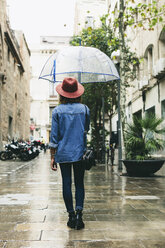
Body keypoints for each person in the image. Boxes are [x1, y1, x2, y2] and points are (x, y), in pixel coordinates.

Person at [49, 77, 90, 230]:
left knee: (66, 183)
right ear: (77, 93)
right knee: (79, 183)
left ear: (62, 94)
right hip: (80, 152)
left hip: (63, 152)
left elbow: (54, 136)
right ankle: (79, 215)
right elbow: (86, 129)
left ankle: (71, 216)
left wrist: (52, 156)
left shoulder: (57, 111)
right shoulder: (85, 109)